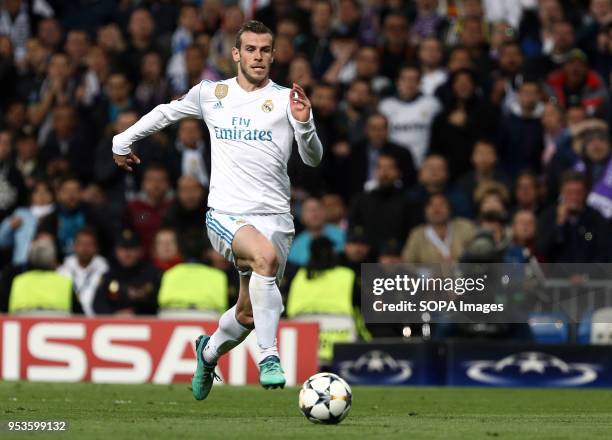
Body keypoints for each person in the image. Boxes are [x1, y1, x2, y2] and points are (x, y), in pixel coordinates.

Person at [111, 21, 322, 398]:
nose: (259, 57)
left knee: (246, 313)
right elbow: (165, 113)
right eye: (251, 49)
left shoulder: (286, 100)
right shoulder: (212, 93)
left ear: (274, 55)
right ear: (237, 53)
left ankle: (207, 353)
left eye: (265, 50)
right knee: (265, 259)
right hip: (225, 215)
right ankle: (269, 356)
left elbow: (312, 158)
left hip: (275, 218)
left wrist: (305, 124)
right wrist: (122, 140)